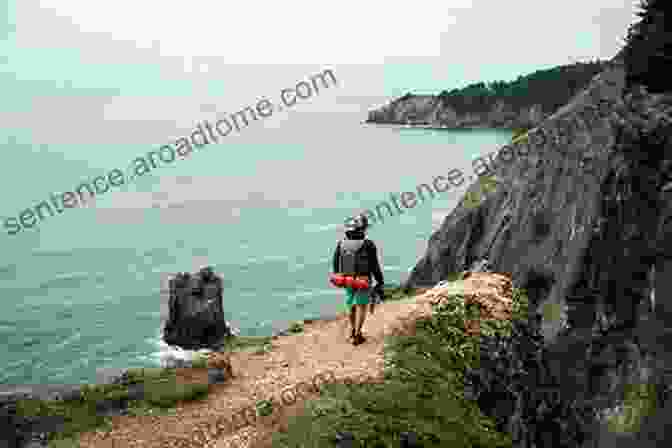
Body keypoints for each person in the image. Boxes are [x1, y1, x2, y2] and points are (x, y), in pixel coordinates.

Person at [332, 214, 384, 345]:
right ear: (362, 229)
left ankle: (352, 329)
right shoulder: (368, 244)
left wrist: (338, 275)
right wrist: (380, 281)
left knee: (351, 305)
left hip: (347, 279)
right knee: (361, 306)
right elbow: (374, 265)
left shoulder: (341, 244)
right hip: (363, 280)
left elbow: (335, 261)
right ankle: (357, 334)